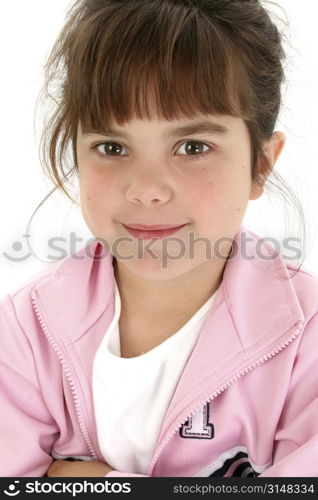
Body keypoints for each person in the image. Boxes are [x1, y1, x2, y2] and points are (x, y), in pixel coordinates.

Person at [0, 0, 317, 478]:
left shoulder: (306, 340)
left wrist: (93, 481)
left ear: (260, 164)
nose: (146, 189)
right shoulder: (24, 334)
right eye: (112, 147)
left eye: (193, 147)